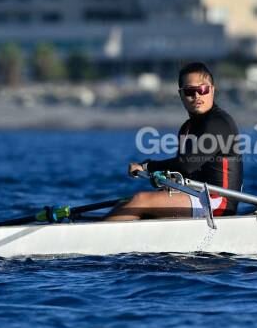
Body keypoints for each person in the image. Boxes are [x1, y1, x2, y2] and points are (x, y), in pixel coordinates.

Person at [104, 62, 243, 221]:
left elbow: (187, 164)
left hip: (218, 204)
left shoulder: (219, 123)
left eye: (202, 89)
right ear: (181, 94)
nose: (197, 95)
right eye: (190, 91)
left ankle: (94, 240)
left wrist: (147, 166)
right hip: (195, 197)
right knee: (127, 202)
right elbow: (182, 173)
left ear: (212, 90)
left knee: (140, 200)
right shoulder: (187, 128)